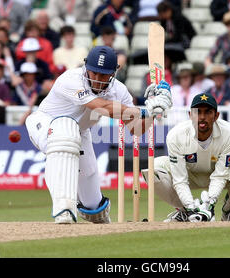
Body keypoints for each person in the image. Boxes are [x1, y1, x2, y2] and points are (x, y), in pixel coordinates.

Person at [24, 46, 173, 224]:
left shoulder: (119, 90)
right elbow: (102, 107)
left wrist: (154, 111)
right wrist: (142, 110)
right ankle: (63, 209)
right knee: (64, 132)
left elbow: (136, 129)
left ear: (114, 73)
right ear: (86, 67)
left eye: (103, 75)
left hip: (80, 133)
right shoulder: (70, 79)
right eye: (93, 72)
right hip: (44, 123)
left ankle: (102, 224)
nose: (96, 79)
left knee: (93, 206)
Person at [142, 92, 230, 222]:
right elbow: (180, 179)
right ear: (190, 115)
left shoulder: (229, 134)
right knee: (153, 168)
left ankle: (229, 211)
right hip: (189, 174)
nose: (202, 117)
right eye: (198, 112)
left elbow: (220, 175)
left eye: (208, 112)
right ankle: (184, 212)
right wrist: (190, 207)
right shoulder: (176, 135)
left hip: (221, 175)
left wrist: (210, 204)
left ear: (216, 116)